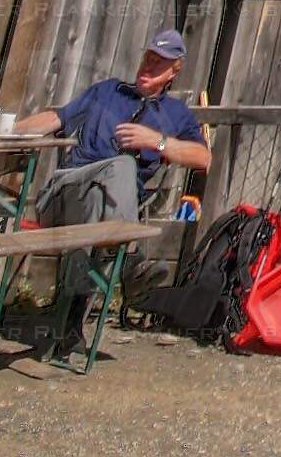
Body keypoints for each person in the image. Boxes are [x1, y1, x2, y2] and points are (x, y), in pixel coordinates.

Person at [16, 28, 209, 359]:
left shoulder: (175, 114)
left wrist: (157, 142)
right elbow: (56, 117)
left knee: (96, 205)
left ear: (174, 70)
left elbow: (204, 158)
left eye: (159, 62)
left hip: (100, 212)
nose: (149, 66)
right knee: (120, 167)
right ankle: (131, 261)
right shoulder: (107, 92)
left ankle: (69, 324)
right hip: (64, 190)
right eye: (148, 58)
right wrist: (7, 129)